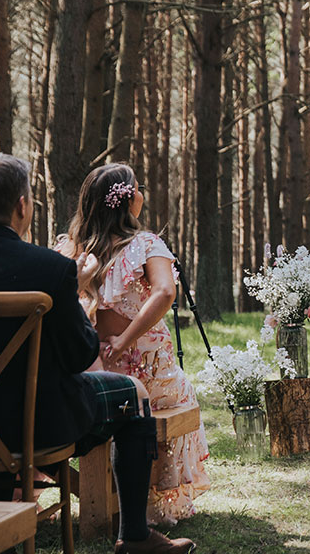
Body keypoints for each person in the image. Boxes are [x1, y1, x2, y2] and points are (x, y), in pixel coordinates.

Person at [0, 153, 193, 554]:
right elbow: (81, 353)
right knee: (133, 395)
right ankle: (134, 536)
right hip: (40, 426)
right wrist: (73, 288)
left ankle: (1, 529)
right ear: (21, 206)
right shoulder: (50, 270)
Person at [60, 163, 209, 524]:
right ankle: (151, 498)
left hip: (89, 374)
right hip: (146, 379)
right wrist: (125, 341)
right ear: (128, 199)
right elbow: (164, 292)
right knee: (184, 391)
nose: (143, 193)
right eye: (139, 187)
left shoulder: (71, 249)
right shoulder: (145, 244)